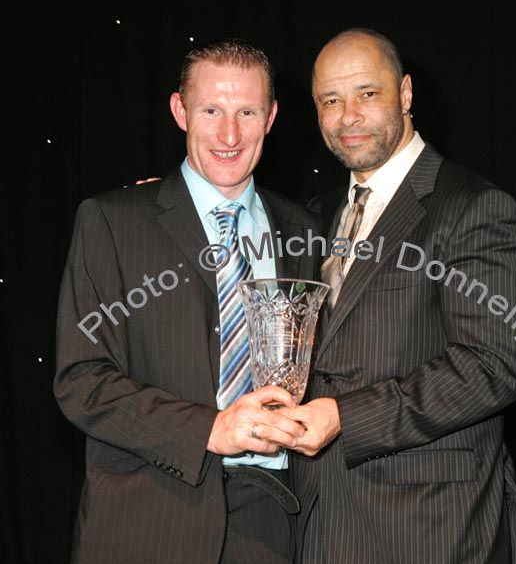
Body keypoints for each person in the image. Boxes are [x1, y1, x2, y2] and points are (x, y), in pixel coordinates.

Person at [54, 38, 319, 564]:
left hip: (272, 525)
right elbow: (81, 380)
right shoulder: (112, 221)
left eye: (246, 111)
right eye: (211, 110)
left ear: (270, 118)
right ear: (180, 110)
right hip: (146, 520)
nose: (229, 133)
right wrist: (212, 430)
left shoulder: (305, 229)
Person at [280, 28, 516, 563]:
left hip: (433, 530)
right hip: (321, 521)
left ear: (406, 94)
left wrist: (346, 418)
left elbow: (492, 366)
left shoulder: (475, 207)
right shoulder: (318, 211)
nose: (348, 115)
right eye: (330, 100)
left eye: (367, 94)